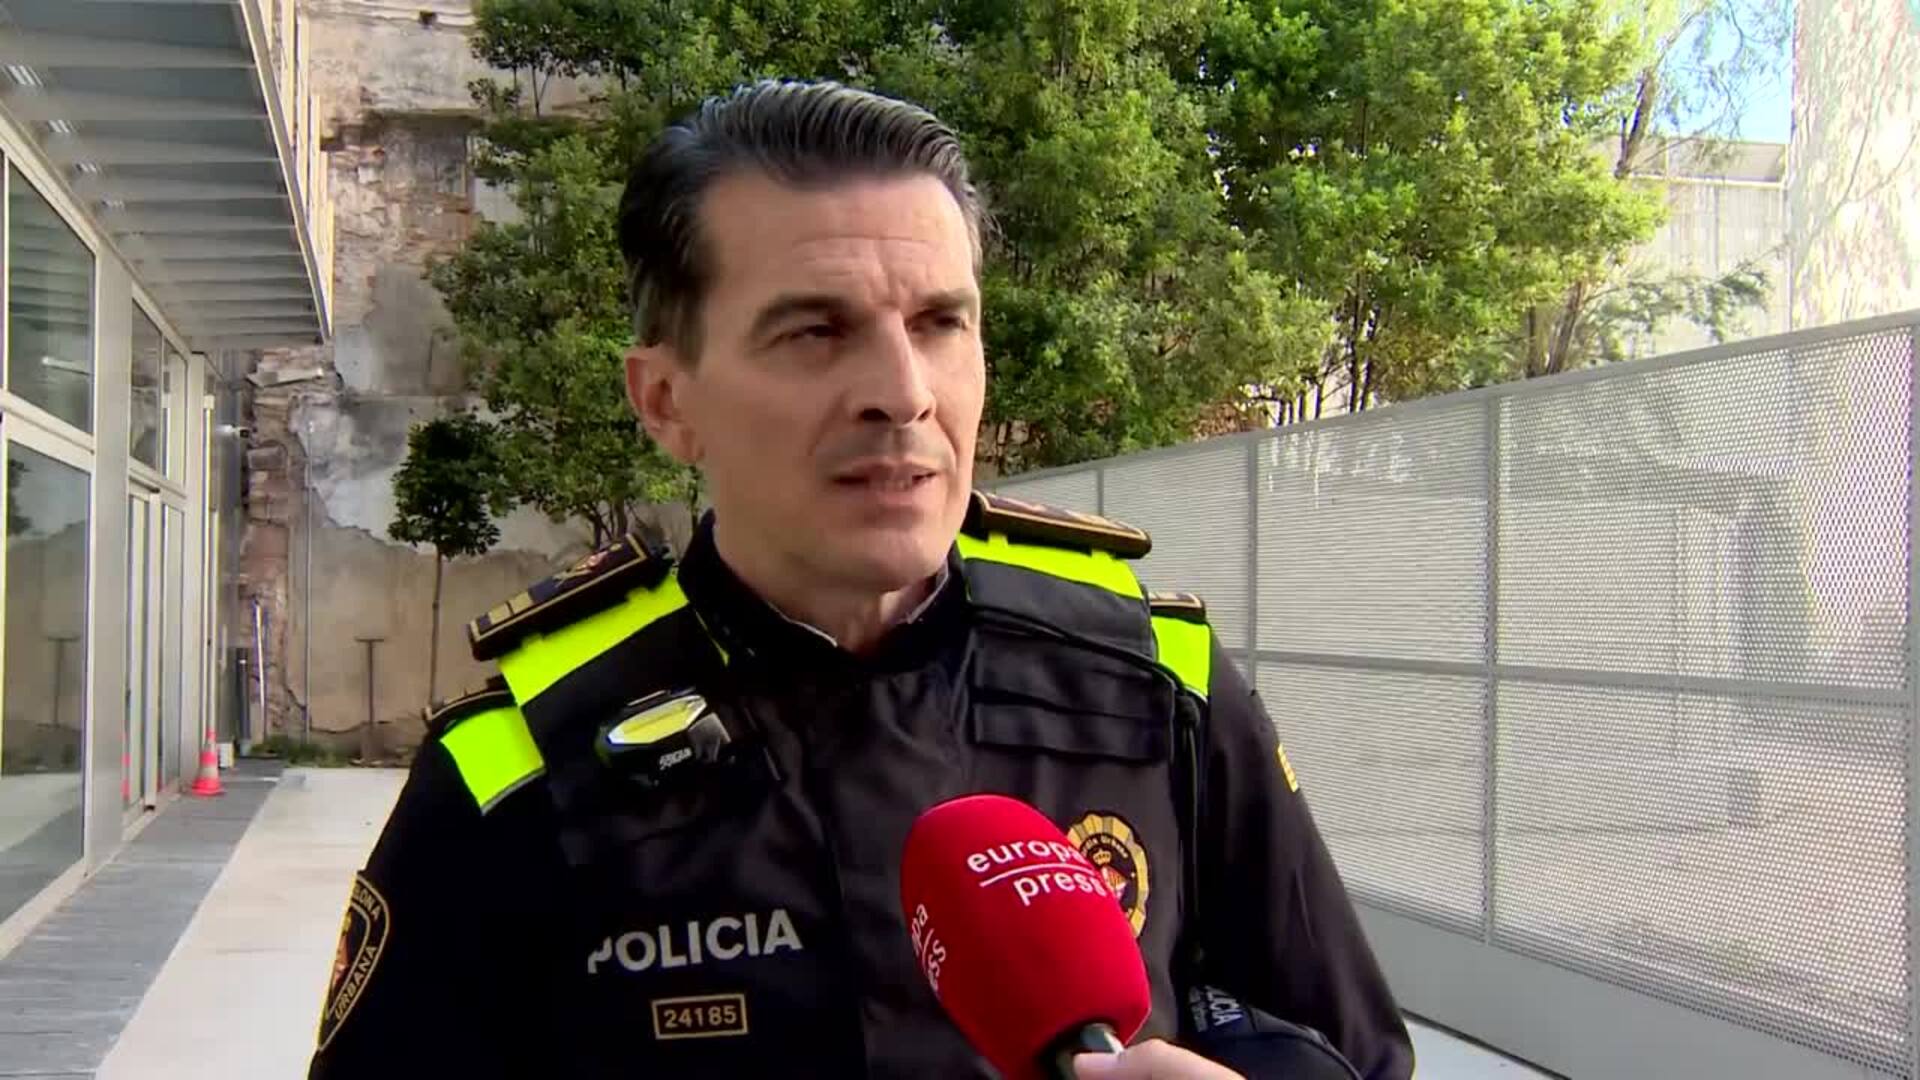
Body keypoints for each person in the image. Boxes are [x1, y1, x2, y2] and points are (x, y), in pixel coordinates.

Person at [308, 80, 1413, 1080]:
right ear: (666, 402)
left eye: (940, 324)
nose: (902, 391)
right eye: (813, 332)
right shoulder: (520, 772)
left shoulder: (1161, 690)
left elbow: (1348, 1053)